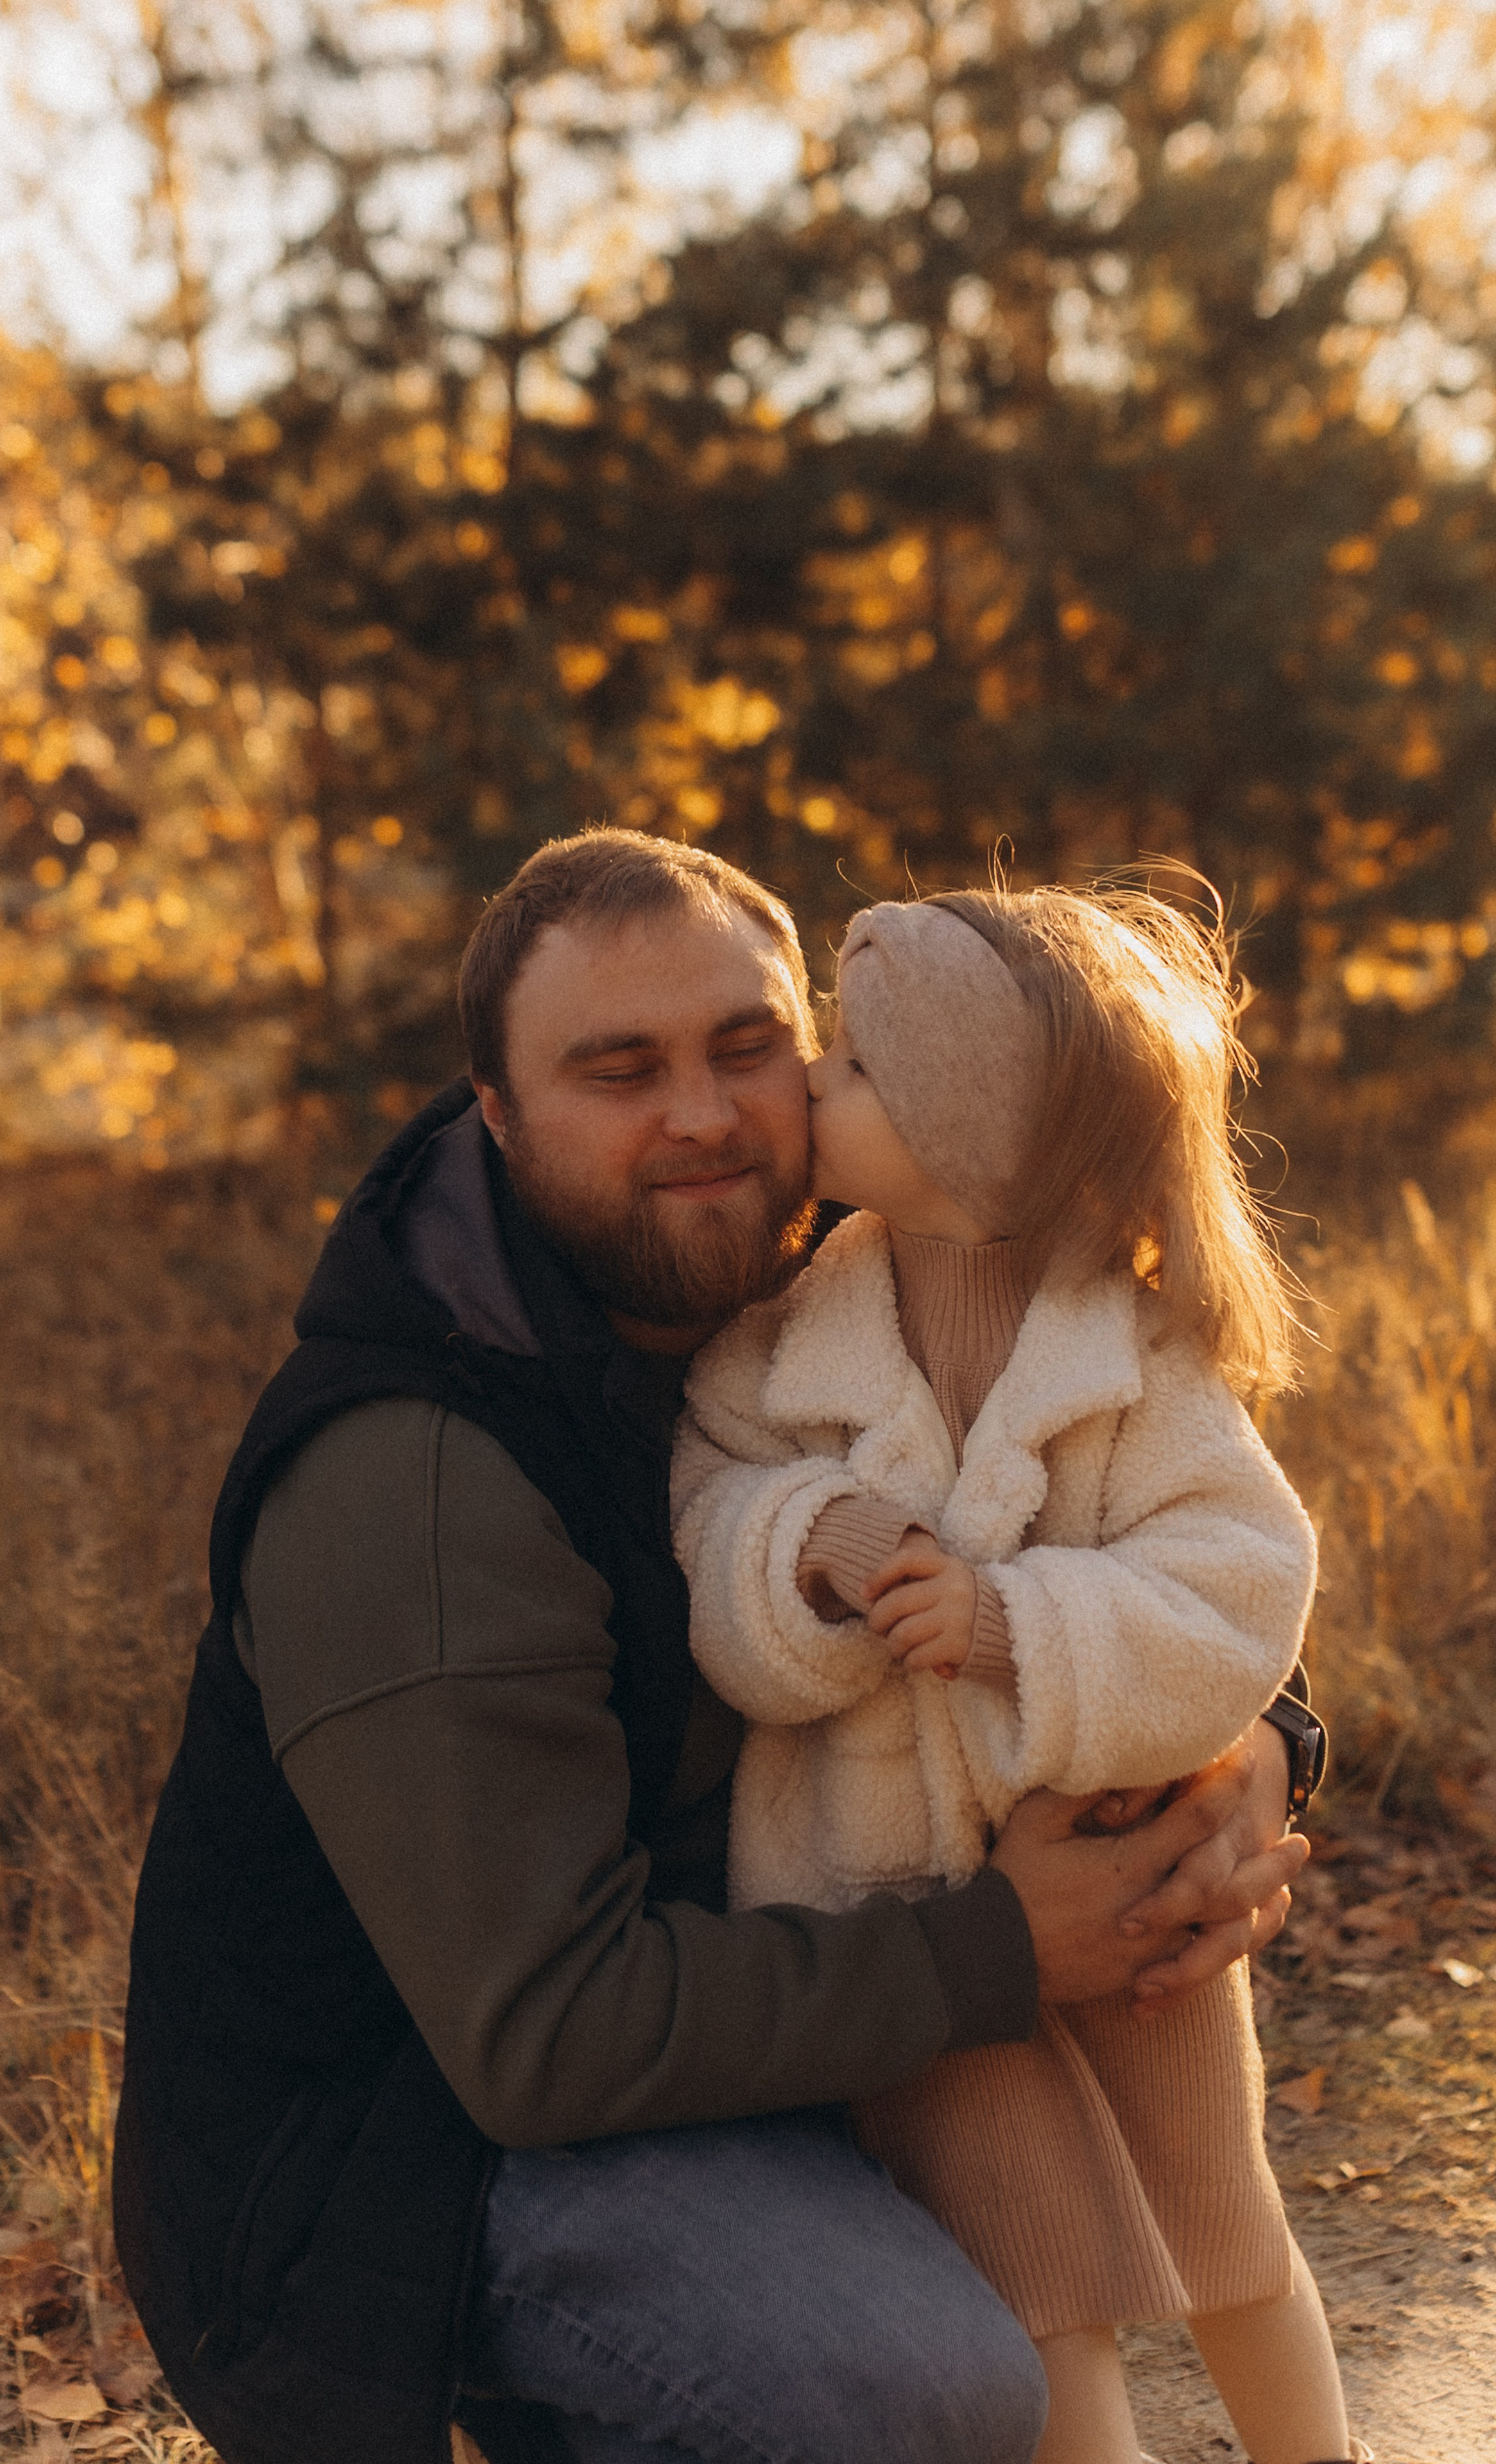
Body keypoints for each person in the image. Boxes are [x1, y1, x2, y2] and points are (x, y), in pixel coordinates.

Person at [115, 829, 1316, 2464]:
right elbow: (544, 2042)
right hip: (401, 2157)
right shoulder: (415, 1477)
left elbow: (1100, 1523)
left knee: (1089, 2262)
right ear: (498, 1112)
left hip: (722, 2014)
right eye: (618, 1071)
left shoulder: (815, 1289)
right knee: (920, 2387)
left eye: (745, 1048)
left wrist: (1247, 1752)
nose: (700, 1114)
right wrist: (1001, 1949)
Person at [672, 885, 1358, 2464]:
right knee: (1031, 2267)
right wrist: (814, 1537)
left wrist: (1012, 1628)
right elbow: (705, 1503)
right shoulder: (782, 1332)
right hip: (896, 1903)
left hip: (1117, 1880)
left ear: (962, 1134)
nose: (810, 1093)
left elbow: (1239, 1579)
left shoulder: (1137, 1354)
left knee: (1226, 2230)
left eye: (851, 1073)